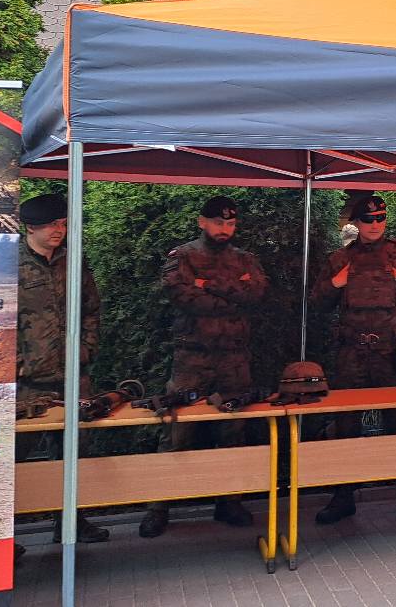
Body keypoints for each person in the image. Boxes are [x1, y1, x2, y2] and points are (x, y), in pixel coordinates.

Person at [140, 196, 267, 538]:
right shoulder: (182, 257)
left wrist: (206, 284)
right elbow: (184, 298)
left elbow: (255, 295)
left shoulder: (245, 259)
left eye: (230, 224)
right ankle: (158, 507)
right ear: (202, 222)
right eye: (218, 223)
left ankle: (230, 502)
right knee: (176, 432)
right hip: (192, 359)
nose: (225, 229)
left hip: (234, 359)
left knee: (233, 433)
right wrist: (232, 292)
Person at [310, 195, 396, 524]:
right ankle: (343, 497)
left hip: (390, 354)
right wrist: (336, 283)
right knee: (345, 427)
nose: (375, 224)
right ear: (356, 222)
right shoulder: (340, 258)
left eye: (380, 218)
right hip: (351, 354)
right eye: (368, 220)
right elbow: (316, 303)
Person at [15, 192, 108, 544]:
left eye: (64, 223)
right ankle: (4, 536)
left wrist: (86, 348)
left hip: (72, 377)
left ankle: (70, 523)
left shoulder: (74, 261)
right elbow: (1, 320)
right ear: (31, 227)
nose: (59, 230)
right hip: (27, 383)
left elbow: (91, 310)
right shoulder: (11, 265)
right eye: (52, 224)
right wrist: (16, 363)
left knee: (74, 454)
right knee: (14, 459)